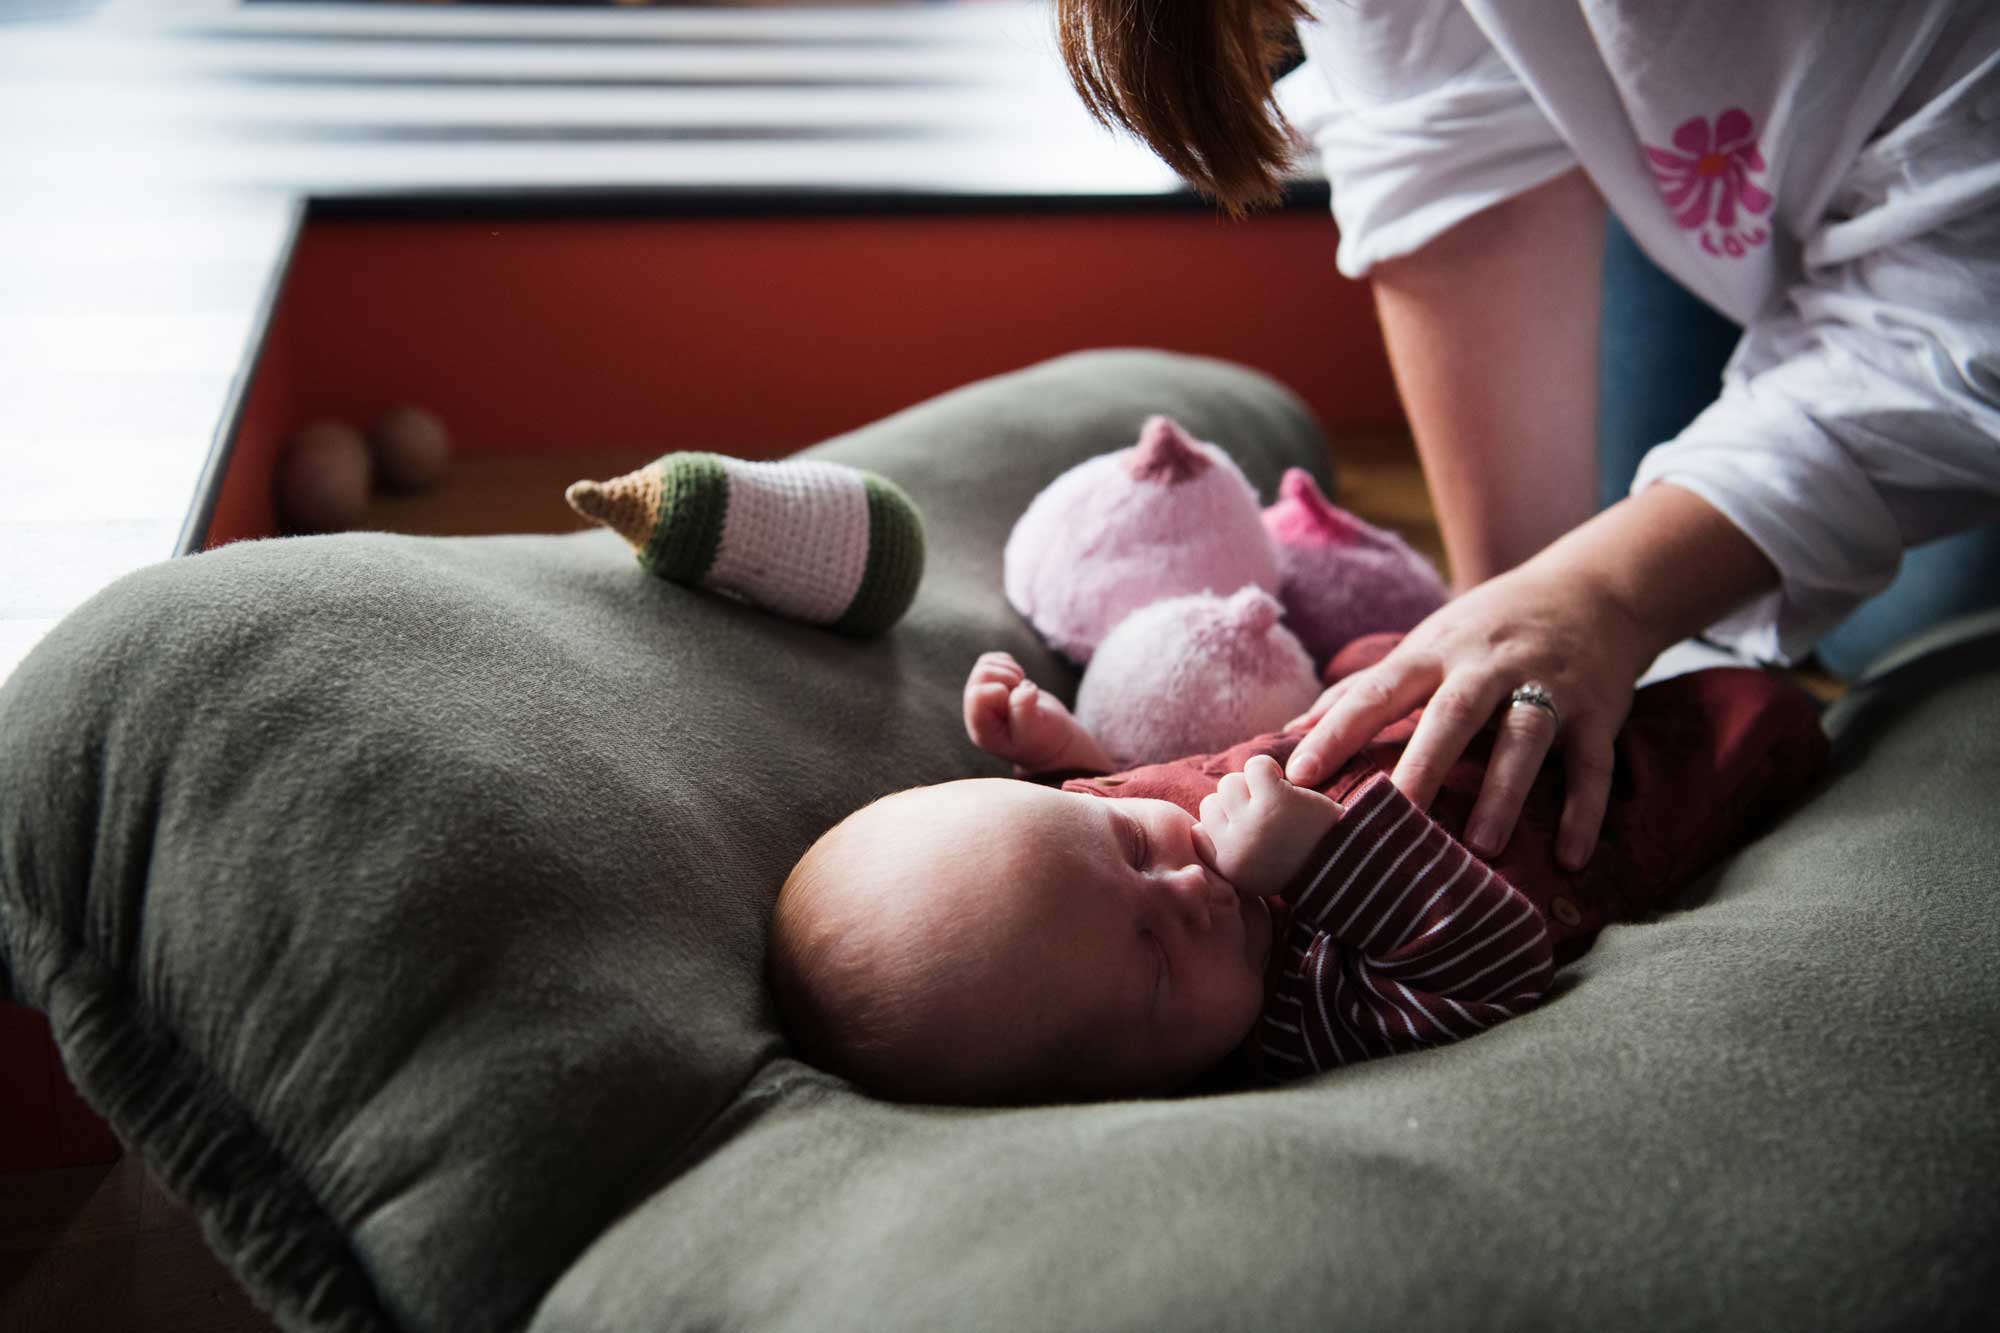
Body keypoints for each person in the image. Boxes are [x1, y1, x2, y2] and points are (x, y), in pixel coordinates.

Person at [1055, 0, 2000, 871]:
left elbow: (1968, 312)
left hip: (1957, 223)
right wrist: (1517, 622)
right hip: (1737, 149)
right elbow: (1449, 148)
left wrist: (1606, 594)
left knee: (1901, 626)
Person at [767, 643, 1826, 1105]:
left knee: (1390, 647)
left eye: (1128, 846)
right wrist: (1317, 859)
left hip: (1395, 705)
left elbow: (1107, 826)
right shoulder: (1292, 1020)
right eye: (1150, 966)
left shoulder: (1079, 865)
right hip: (1567, 806)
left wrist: (1061, 756)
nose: (1186, 890)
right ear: (1128, 1086)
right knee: (1752, 717)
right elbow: (1491, 963)